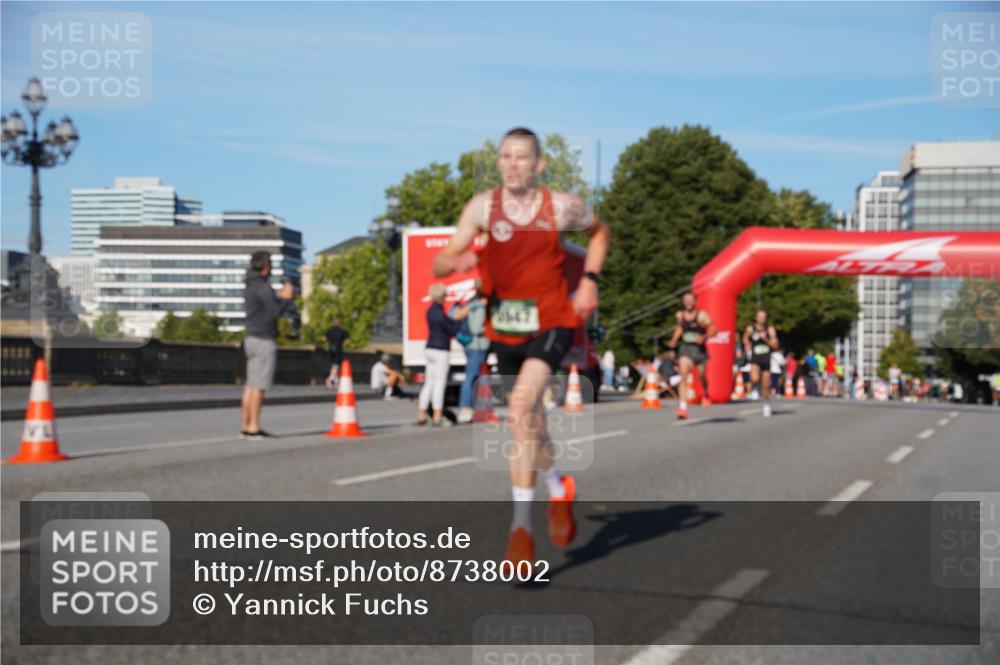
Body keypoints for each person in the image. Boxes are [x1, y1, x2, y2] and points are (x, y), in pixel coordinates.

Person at [432, 126, 610, 565]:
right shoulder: (482, 207)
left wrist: (589, 281)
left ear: (538, 164)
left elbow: (600, 233)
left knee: (517, 412)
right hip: (504, 328)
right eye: (505, 156)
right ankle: (558, 486)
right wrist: (455, 260)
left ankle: (521, 532)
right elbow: (440, 262)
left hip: (552, 321)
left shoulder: (561, 206)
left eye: (521, 157)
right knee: (530, 423)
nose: (512, 165)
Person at [241, 251, 294, 440]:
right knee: (259, 386)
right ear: (265, 266)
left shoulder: (250, 285)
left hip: (251, 337)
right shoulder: (263, 287)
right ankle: (254, 427)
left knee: (250, 385)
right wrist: (286, 299)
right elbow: (274, 313)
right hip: (263, 339)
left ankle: (246, 425)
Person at [419, 284, 468, 426]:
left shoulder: (430, 311)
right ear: (442, 296)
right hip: (441, 349)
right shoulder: (440, 313)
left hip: (429, 347)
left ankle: (422, 413)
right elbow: (452, 329)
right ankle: (437, 414)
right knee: (440, 383)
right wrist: (459, 319)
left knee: (429, 382)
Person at [667, 291, 717, 420]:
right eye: (686, 300)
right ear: (683, 302)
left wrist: (704, 336)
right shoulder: (680, 315)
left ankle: (705, 392)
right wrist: (674, 340)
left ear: (695, 302)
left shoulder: (702, 315)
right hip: (686, 348)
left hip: (699, 350)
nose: (688, 302)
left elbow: (714, 329)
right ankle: (683, 408)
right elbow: (680, 328)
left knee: (701, 376)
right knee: (683, 374)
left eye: (690, 300)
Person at [456, 280, 490, 424]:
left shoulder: (472, 302)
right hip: (477, 346)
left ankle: (474, 409)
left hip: (474, 345)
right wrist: (490, 328)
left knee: (476, 377)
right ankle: (466, 408)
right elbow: (476, 328)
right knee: (472, 376)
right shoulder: (479, 305)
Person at [743, 309, 779, 417]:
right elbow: (745, 337)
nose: (761, 319)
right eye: (759, 317)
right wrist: (747, 344)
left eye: (763, 317)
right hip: (755, 357)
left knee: (766, 385)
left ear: (766, 318)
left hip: (766, 358)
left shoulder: (770, 329)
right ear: (756, 318)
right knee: (754, 378)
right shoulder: (751, 328)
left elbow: (775, 345)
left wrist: (766, 339)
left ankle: (766, 405)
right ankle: (755, 388)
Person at [323, 319, 350, 388]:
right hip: (338, 350)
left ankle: (336, 381)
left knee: (334, 365)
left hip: (331, 350)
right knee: (336, 365)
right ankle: (330, 379)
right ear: (339, 323)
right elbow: (348, 340)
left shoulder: (329, 331)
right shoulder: (342, 331)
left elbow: (324, 338)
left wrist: (330, 340)